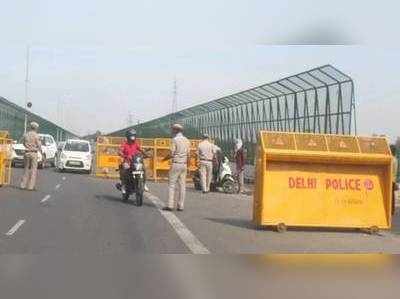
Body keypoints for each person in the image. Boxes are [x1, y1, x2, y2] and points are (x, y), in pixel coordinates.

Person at [162, 124, 190, 211]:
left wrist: (164, 159)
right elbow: (189, 155)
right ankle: (180, 206)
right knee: (182, 186)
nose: (171, 131)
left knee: (172, 185)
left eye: (172, 130)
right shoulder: (187, 140)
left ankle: (170, 205)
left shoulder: (175, 140)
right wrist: (187, 166)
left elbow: (171, 154)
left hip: (176, 164)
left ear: (175, 130)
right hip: (184, 164)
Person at [118, 129, 149, 194]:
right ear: (128, 136)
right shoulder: (124, 144)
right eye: (131, 136)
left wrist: (146, 154)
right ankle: (123, 185)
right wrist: (122, 154)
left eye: (134, 136)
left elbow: (141, 149)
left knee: (143, 169)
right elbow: (120, 151)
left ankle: (144, 183)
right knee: (125, 169)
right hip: (127, 161)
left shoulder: (136, 144)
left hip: (136, 161)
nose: (133, 137)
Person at [20, 122, 42, 191]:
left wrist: (27, 147)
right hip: (33, 153)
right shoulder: (36, 136)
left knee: (26, 169)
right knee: (33, 170)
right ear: (36, 128)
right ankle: (30, 187)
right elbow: (39, 145)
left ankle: (23, 185)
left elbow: (23, 143)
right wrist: (40, 152)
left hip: (26, 153)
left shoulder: (26, 135)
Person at [391, 145, 398, 215]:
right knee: (392, 196)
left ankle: (391, 209)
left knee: (390, 196)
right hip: (393, 179)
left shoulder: (392, 159)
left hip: (390, 179)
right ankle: (392, 209)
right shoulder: (396, 159)